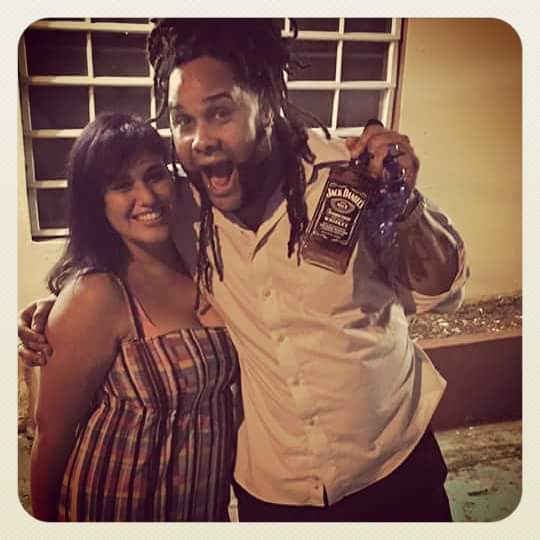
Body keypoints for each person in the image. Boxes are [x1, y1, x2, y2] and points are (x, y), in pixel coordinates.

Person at [19, 19, 468, 522]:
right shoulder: (183, 208)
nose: (200, 140)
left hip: (395, 468)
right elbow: (121, 252)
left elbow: (440, 292)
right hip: (278, 495)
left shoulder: (349, 179)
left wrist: (404, 206)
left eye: (220, 112)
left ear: (267, 103)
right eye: (183, 121)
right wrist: (59, 308)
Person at [27, 112, 239, 522]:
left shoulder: (206, 260)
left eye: (154, 175)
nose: (147, 196)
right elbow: (52, 437)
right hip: (113, 508)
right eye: (121, 185)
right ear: (97, 203)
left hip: (200, 509)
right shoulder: (96, 295)